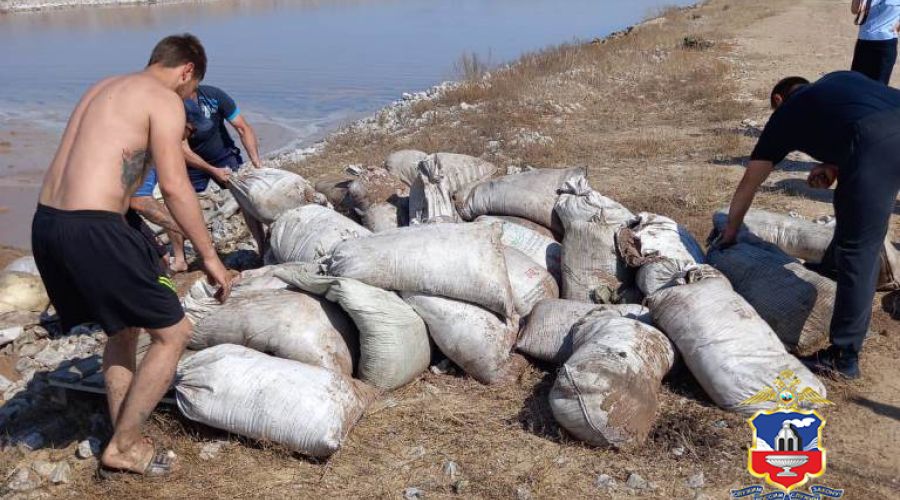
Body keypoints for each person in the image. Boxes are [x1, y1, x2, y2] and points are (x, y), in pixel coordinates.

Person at [31, 34, 234, 477]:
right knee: (173, 333)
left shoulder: (103, 87)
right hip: (93, 226)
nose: (190, 97)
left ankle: (121, 429)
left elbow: (107, 170)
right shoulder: (163, 100)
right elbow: (175, 187)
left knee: (123, 329)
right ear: (186, 71)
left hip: (48, 224)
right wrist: (209, 256)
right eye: (192, 87)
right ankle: (123, 448)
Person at [720, 71, 900, 380]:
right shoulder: (835, 81)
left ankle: (843, 358)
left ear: (778, 99)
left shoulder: (785, 115)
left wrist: (731, 231)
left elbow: (751, 181)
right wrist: (834, 167)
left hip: (876, 141)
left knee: (858, 248)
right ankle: (832, 268)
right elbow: (854, 119)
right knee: (848, 205)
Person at [130, 84, 266, 271]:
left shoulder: (214, 96)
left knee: (244, 196)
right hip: (188, 161)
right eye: (192, 130)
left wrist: (257, 164)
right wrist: (197, 236)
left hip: (222, 155)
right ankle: (180, 259)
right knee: (173, 201)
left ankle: (262, 248)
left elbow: (243, 127)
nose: (194, 133)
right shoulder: (162, 130)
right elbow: (183, 151)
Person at [851, 0, 900, 84]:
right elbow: (855, 9)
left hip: (885, 44)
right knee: (856, 83)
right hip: (864, 42)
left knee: (877, 86)